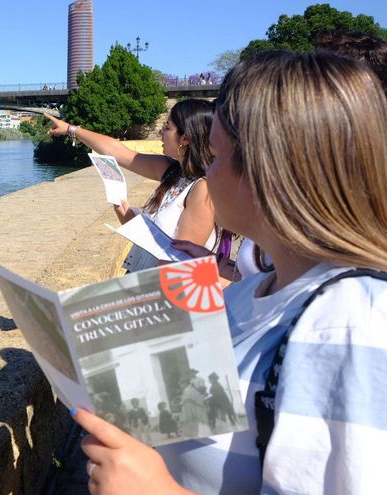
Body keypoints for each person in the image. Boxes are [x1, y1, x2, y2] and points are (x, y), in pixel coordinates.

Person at [71, 50, 387, 494]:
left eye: (215, 157)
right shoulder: (250, 294)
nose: (207, 176)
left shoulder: (353, 325)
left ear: (268, 172)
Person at [45, 98, 218, 272]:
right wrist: (70, 129)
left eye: (167, 128)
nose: (160, 132)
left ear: (185, 138)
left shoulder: (202, 189)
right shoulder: (172, 171)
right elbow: (115, 151)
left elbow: (179, 264)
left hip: (162, 291)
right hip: (144, 278)